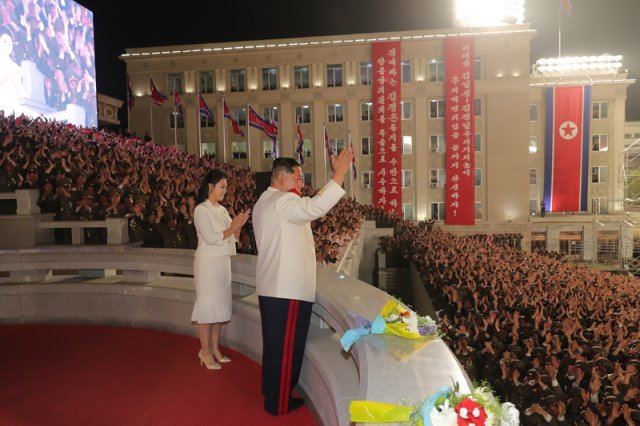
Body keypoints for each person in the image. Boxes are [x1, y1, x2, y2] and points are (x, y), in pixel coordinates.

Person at [252, 148, 353, 416]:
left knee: (274, 346)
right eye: (298, 178)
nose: (302, 184)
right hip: (288, 290)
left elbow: (306, 202)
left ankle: (271, 390)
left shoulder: (266, 201)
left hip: (273, 287)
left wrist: (322, 188)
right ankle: (280, 403)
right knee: (287, 350)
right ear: (282, 178)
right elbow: (313, 207)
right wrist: (339, 175)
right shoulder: (284, 203)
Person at [191, 169, 249, 370]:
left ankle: (214, 348)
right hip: (207, 263)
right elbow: (212, 237)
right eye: (222, 187)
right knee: (207, 309)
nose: (225, 190)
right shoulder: (201, 210)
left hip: (222, 263)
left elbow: (231, 237)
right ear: (210, 187)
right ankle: (204, 350)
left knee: (218, 309)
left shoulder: (222, 210)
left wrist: (239, 225)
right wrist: (233, 227)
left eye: (226, 187)